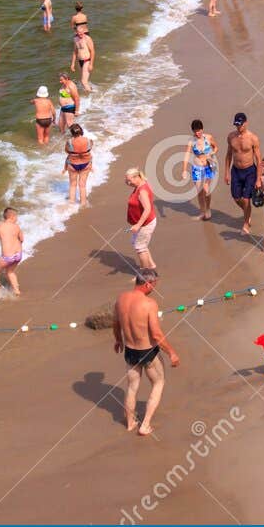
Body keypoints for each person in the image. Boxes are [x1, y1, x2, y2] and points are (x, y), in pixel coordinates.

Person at [113, 271, 180, 436]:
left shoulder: (121, 299)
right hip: (147, 351)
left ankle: (130, 423)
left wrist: (118, 340)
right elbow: (156, 334)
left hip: (129, 350)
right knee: (158, 383)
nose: (154, 288)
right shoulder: (149, 303)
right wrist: (171, 352)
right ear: (148, 284)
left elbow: (115, 323)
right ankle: (145, 425)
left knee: (132, 387)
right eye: (154, 285)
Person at [225, 112, 262, 236]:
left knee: (246, 199)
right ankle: (247, 212)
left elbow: (259, 159)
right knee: (236, 198)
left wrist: (258, 179)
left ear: (246, 123)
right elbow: (228, 155)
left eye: (240, 125)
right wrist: (226, 173)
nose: (238, 127)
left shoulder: (253, 138)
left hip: (250, 171)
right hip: (236, 170)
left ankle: (246, 223)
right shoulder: (231, 137)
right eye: (236, 125)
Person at [183, 119, 217, 220]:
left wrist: (212, 153)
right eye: (195, 131)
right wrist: (184, 170)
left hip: (209, 166)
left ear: (202, 129)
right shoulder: (191, 142)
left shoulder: (208, 137)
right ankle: (202, 212)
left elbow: (215, 147)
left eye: (199, 130)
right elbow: (186, 156)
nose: (197, 133)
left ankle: (208, 209)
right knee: (199, 191)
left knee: (206, 189)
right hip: (197, 167)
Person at [125, 168, 158, 272]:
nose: (128, 183)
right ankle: (151, 265)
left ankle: (145, 273)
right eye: (127, 180)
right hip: (144, 223)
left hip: (145, 224)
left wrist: (138, 225)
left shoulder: (142, 190)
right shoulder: (140, 185)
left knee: (140, 247)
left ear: (137, 177)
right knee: (141, 244)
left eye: (130, 180)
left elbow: (147, 209)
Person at [62, 123, 93, 204]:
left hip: (73, 164)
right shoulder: (89, 140)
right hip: (86, 164)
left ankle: (71, 203)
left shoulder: (69, 142)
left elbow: (67, 151)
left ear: (72, 133)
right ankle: (83, 203)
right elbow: (89, 149)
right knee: (82, 185)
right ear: (81, 131)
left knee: (72, 185)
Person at [72, 24, 96, 92]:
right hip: (79, 61)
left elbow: (92, 51)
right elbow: (75, 52)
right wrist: (73, 64)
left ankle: (92, 96)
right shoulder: (75, 39)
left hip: (87, 61)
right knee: (84, 80)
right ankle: (89, 91)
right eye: (79, 32)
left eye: (82, 32)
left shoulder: (87, 39)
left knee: (83, 81)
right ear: (76, 32)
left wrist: (91, 64)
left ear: (84, 31)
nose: (81, 34)